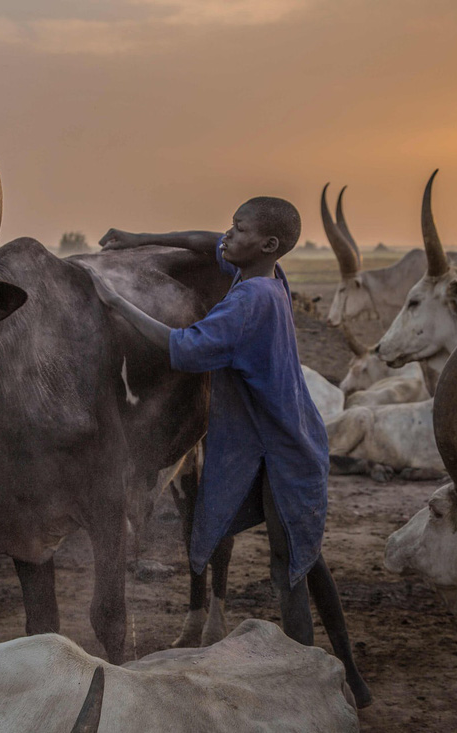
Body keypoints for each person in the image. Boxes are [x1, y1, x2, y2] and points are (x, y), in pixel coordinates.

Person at [87, 197, 372, 708]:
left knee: (289, 573)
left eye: (238, 231)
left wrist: (113, 303)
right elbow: (202, 241)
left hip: (283, 450)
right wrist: (135, 239)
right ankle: (352, 675)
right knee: (311, 562)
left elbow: (182, 347)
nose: (226, 236)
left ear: (266, 245)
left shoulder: (249, 302)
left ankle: (306, 695)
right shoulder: (267, 276)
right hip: (287, 438)